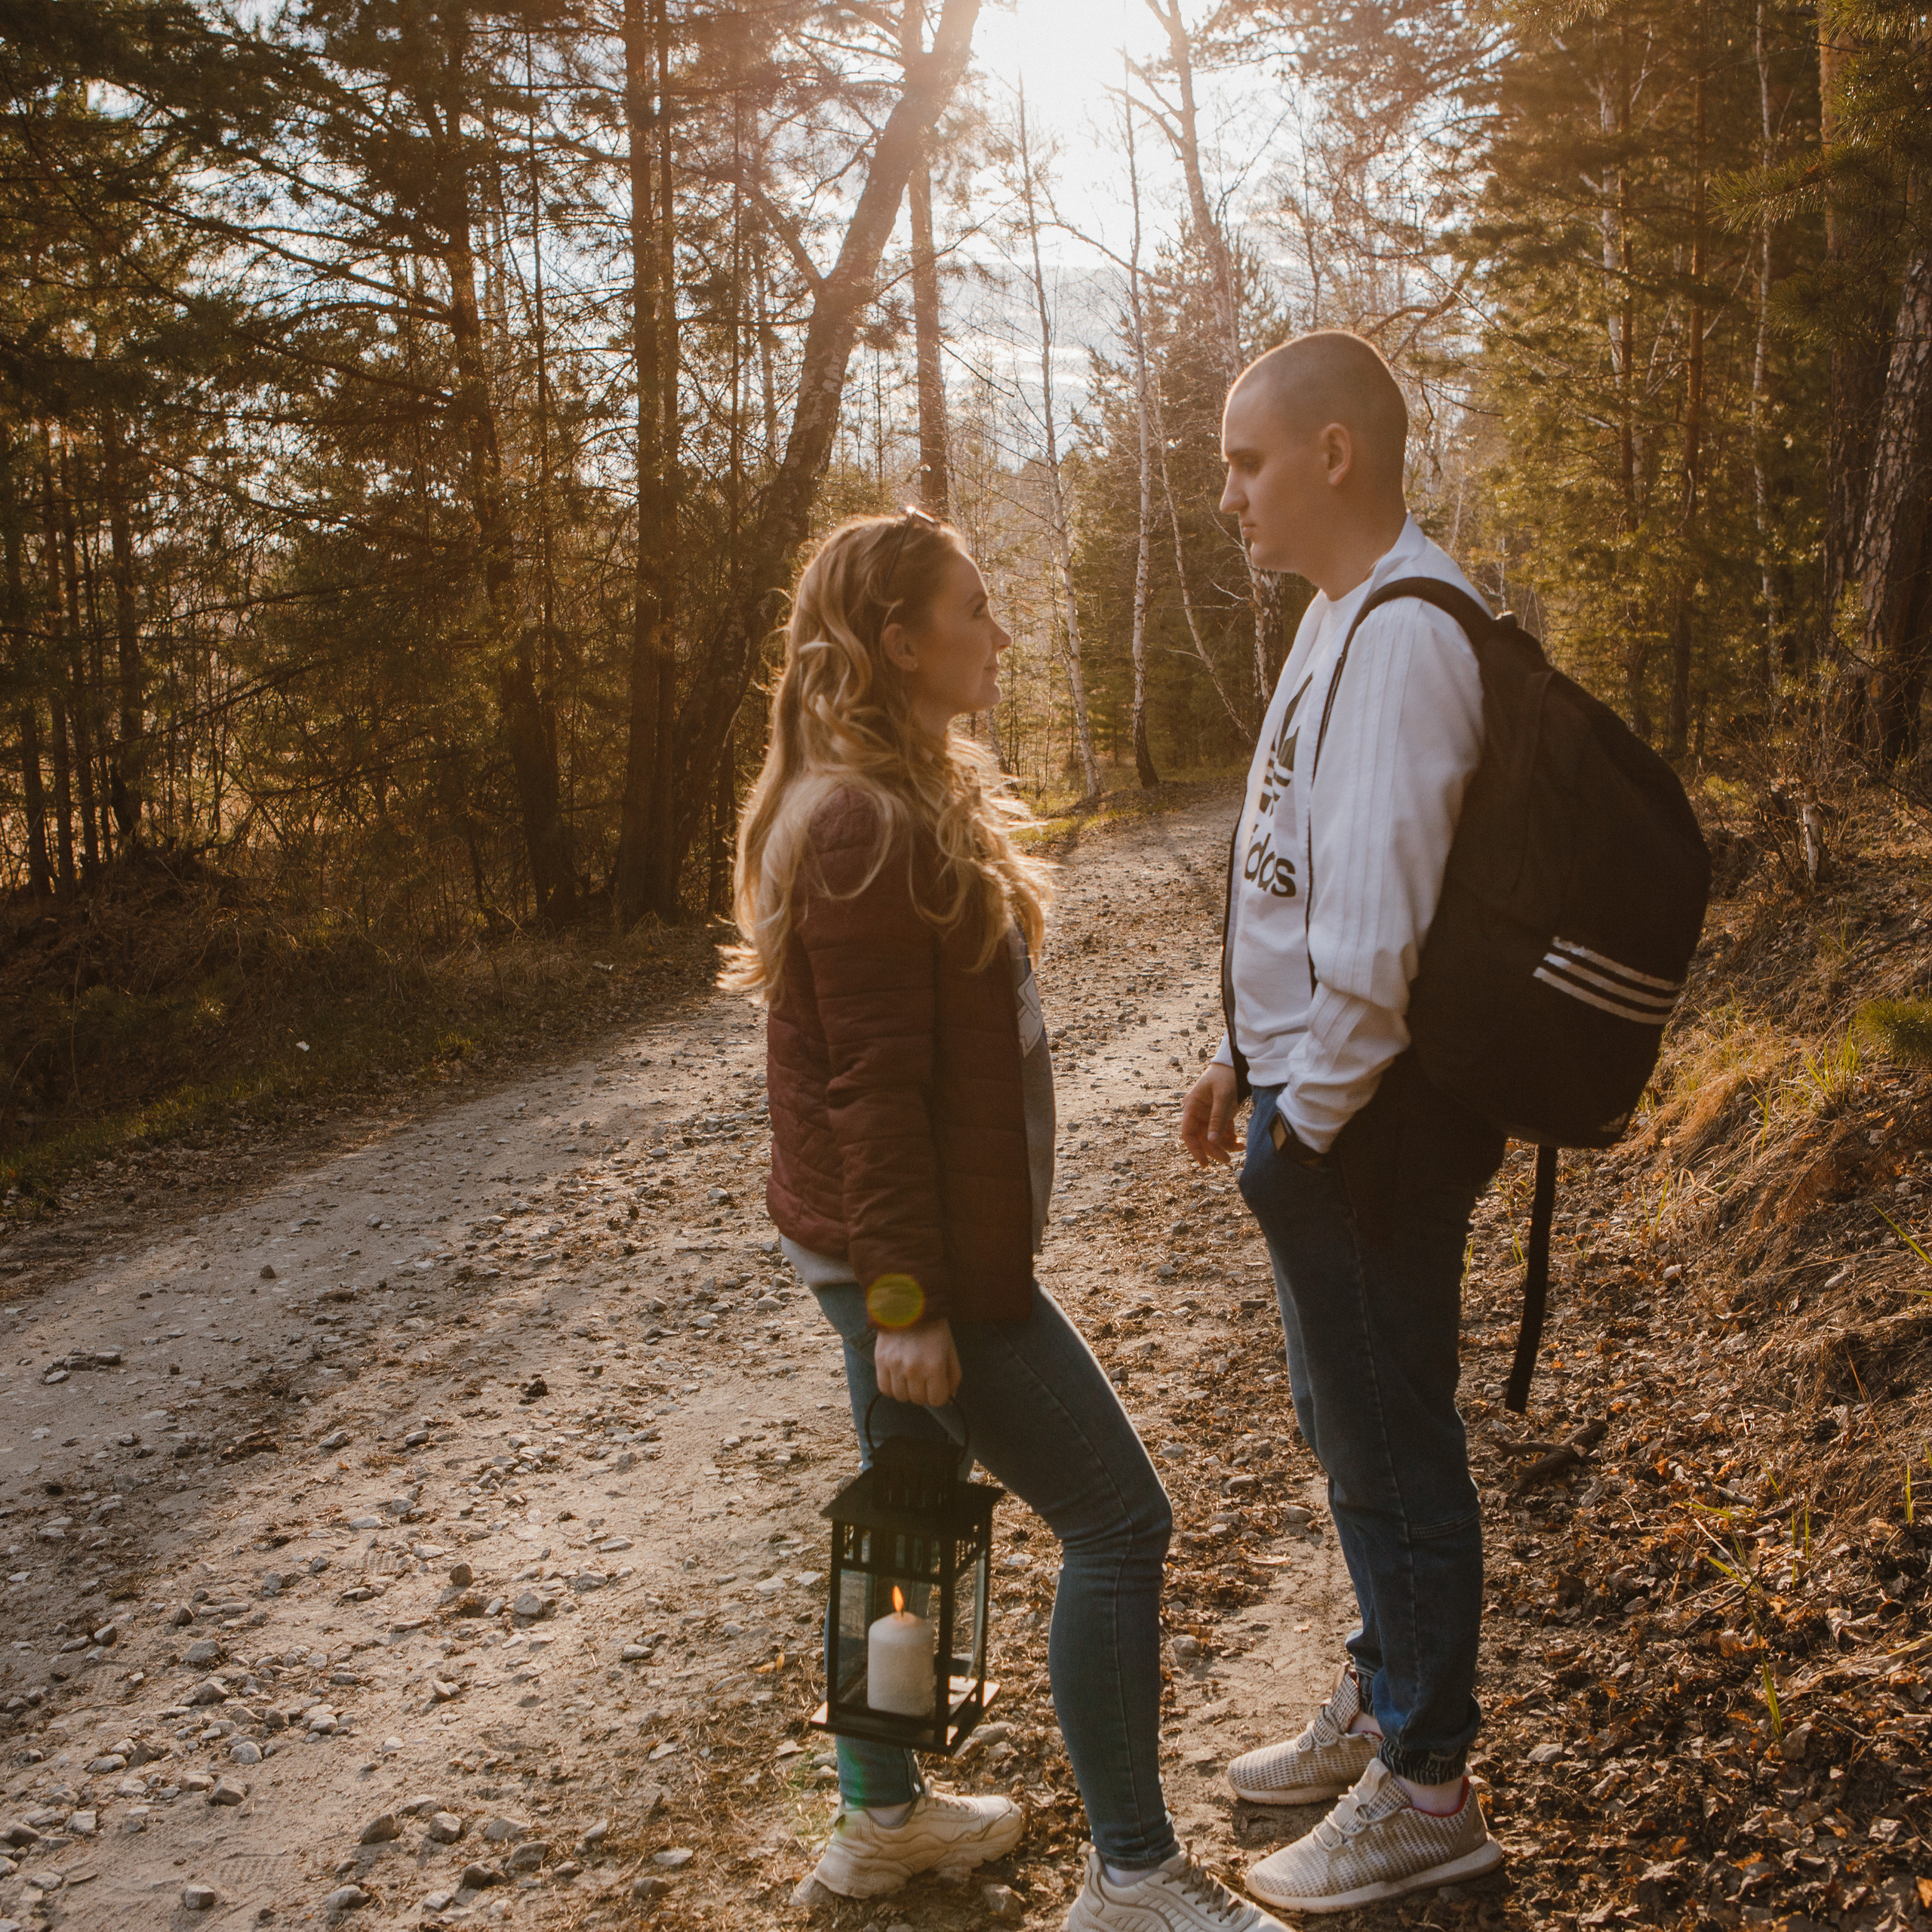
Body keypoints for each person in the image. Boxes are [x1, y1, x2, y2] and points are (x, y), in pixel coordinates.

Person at [728, 509, 1287, 1931]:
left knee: (907, 1510)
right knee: (1121, 1520)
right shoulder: (860, 822)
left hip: (891, 1252)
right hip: (918, 1266)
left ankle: (880, 1822)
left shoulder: (893, 793)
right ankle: (1135, 1877)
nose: (999, 631)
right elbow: (872, 1094)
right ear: (899, 643)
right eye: (974, 610)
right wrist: (910, 1308)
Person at [1179, 331, 1509, 1914]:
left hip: (1369, 1129)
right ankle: (1387, 1699)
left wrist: (1296, 1125)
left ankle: (1428, 1785)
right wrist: (1238, 1055)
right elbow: (1294, 882)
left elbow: (1373, 952)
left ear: (1333, 454)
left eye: (1246, 461)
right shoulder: (1336, 615)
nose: (1227, 494)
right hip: (1321, 1109)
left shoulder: (1403, 635)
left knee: (1391, 1446)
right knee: (1347, 1429)